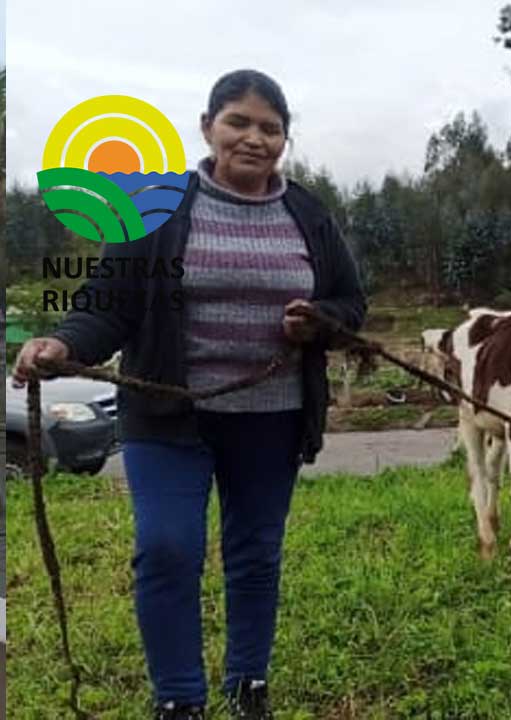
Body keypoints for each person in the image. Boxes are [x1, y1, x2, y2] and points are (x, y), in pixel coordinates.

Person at [12, 69, 366, 720]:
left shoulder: (309, 214)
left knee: (255, 553)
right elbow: (106, 305)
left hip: (272, 417)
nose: (254, 139)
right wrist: (63, 344)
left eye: (271, 128)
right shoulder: (157, 207)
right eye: (239, 122)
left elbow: (351, 303)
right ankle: (179, 700)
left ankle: (248, 684)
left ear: (285, 140)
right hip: (169, 417)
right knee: (169, 547)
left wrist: (321, 320)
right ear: (207, 127)